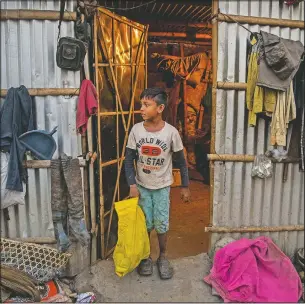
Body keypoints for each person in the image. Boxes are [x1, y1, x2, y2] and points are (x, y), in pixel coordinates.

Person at [124, 87, 191, 280]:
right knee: (144, 224)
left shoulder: (171, 133)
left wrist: (185, 185)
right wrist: (132, 185)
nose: (141, 109)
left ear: (160, 108)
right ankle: (145, 257)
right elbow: (129, 160)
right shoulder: (136, 130)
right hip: (143, 186)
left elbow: (181, 161)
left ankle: (162, 256)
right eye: (141, 104)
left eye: (147, 105)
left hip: (162, 187)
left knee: (161, 224)